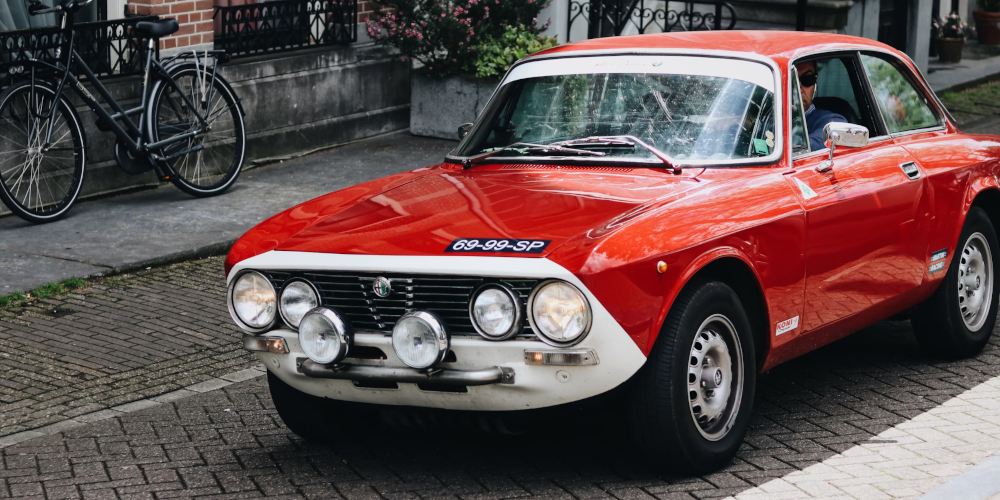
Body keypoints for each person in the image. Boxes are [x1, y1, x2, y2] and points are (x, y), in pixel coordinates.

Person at [797, 61, 846, 152]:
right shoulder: (764, 119)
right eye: (789, 80)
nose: (798, 88)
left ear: (816, 79)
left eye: (807, 79)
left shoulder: (831, 121)